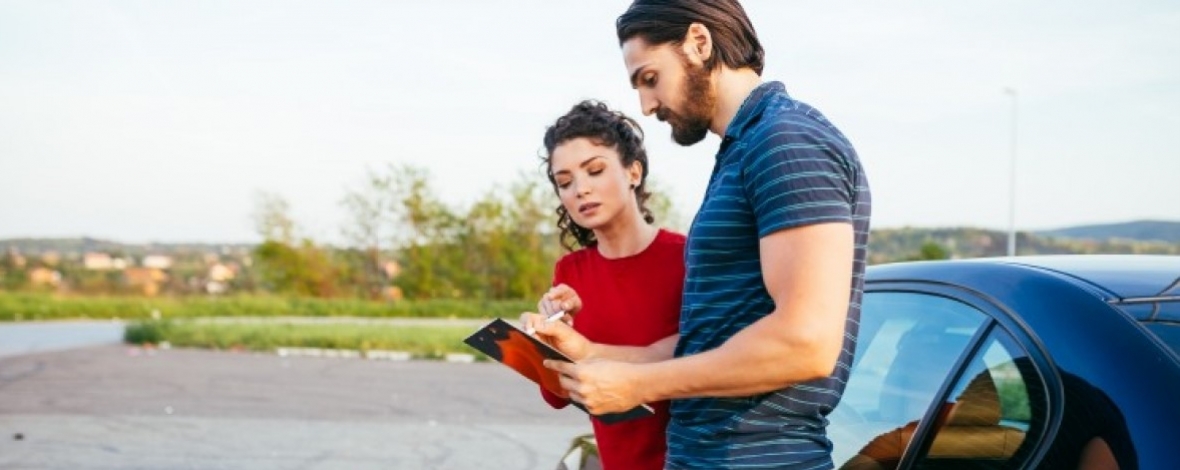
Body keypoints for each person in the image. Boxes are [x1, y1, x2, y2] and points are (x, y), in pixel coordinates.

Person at [523, 1, 872, 468]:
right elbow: (713, 338)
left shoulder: (787, 141)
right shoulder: (744, 149)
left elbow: (805, 343)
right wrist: (590, 353)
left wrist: (641, 385)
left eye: (650, 79)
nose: (646, 106)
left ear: (699, 43)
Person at [531, 99, 686, 470]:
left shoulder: (686, 257)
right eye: (564, 182)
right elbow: (557, 398)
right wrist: (546, 341)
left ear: (633, 172)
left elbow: (703, 354)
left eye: (595, 170)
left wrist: (587, 350)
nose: (580, 189)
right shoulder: (570, 271)